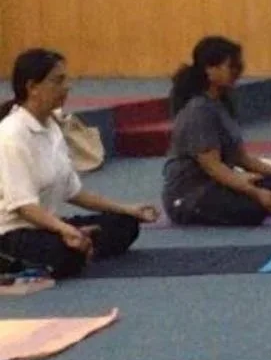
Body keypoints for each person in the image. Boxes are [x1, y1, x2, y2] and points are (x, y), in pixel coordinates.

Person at [0, 49, 157, 279]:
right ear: (32, 87)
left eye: (66, 79)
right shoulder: (11, 135)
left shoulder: (52, 127)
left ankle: (77, 243)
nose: (67, 87)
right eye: (58, 80)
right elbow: (25, 207)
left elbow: (74, 192)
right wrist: (64, 229)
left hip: (45, 226)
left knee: (125, 224)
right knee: (66, 254)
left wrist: (127, 208)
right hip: (12, 233)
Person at [161, 36, 271, 226]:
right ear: (210, 69)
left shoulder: (221, 103)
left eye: (238, 65)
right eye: (231, 66)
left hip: (214, 184)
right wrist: (255, 192)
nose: (237, 71)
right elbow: (214, 167)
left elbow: (242, 158)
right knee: (252, 210)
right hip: (191, 194)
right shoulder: (198, 111)